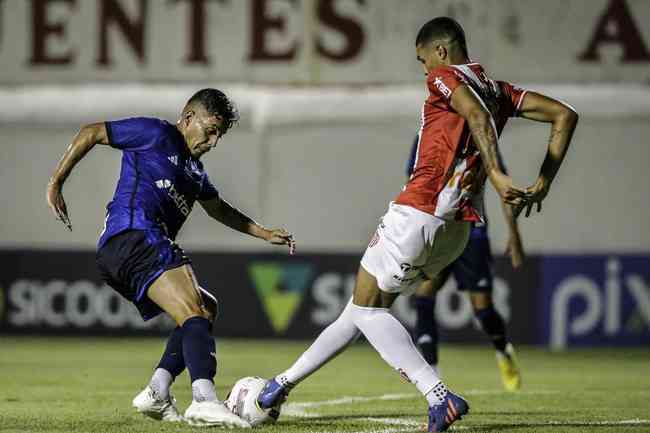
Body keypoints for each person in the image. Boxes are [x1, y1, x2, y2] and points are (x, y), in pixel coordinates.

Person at [255, 16, 578, 432]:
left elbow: (476, 117)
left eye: (422, 60)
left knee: (367, 310)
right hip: (458, 229)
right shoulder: (500, 92)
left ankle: (438, 395)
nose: (424, 70)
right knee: (362, 308)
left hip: (420, 211)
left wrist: (497, 174)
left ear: (440, 51)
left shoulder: (445, 76)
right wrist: (543, 185)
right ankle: (279, 386)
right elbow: (565, 116)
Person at [46, 88, 295, 428]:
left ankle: (157, 391)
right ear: (188, 118)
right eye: (210, 130)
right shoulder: (156, 133)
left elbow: (219, 209)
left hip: (125, 251)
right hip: (134, 236)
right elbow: (92, 131)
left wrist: (264, 233)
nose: (214, 141)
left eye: (219, 135)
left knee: (206, 308)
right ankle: (204, 399)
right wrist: (57, 181)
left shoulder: (195, 172)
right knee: (194, 309)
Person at [406, 134, 525, 391]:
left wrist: (514, 235)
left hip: (473, 232)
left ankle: (503, 349)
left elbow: (503, 186)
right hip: (439, 230)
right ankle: (432, 376)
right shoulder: (425, 135)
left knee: (483, 310)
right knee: (424, 296)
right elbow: (415, 183)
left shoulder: (481, 136)